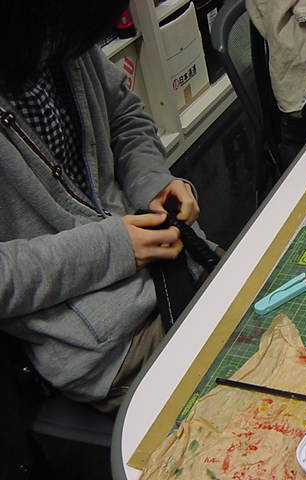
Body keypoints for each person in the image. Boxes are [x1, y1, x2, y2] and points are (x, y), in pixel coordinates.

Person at [0, 1, 218, 413]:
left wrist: (152, 182)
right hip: (110, 342)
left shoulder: (63, 40)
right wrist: (113, 248)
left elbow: (126, 117)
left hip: (182, 265)